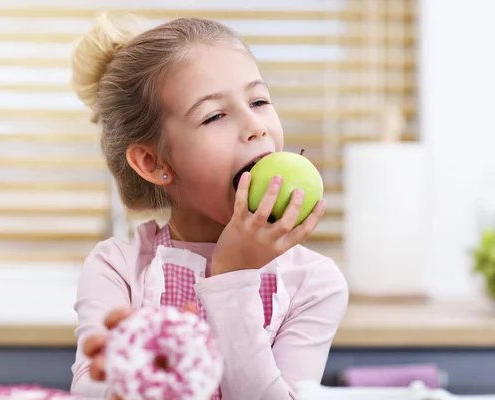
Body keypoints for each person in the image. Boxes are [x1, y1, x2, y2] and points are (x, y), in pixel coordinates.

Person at [69, 12, 349, 400]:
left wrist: (232, 279)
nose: (256, 126)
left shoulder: (312, 282)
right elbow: (88, 391)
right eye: (214, 115)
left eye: (259, 100)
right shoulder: (118, 267)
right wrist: (138, 363)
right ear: (154, 163)